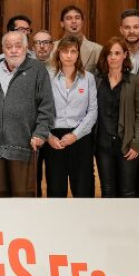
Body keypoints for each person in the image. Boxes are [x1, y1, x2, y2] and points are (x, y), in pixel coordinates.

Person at [0, 31, 54, 198]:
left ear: (26, 48)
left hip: (24, 144)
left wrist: (40, 133)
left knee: (23, 200)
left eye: (18, 46)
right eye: (9, 47)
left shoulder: (37, 69)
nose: (13, 50)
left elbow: (46, 105)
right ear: (3, 50)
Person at [44, 37, 98, 198]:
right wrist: (48, 136)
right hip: (54, 139)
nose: (69, 55)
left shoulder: (88, 78)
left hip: (80, 138)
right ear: (58, 53)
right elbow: (39, 109)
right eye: (65, 51)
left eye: (73, 51)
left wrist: (75, 135)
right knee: (55, 189)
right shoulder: (48, 76)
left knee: (83, 190)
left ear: (78, 54)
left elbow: (93, 111)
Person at [94, 37, 139, 198]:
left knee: (127, 191)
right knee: (107, 190)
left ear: (125, 55)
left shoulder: (135, 81)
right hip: (103, 146)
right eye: (109, 53)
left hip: (127, 144)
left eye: (117, 53)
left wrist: (137, 143)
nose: (113, 57)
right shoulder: (97, 81)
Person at [59, 5, 102, 72]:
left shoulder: (97, 49)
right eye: (69, 18)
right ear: (62, 23)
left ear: (82, 22)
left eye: (77, 18)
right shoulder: (53, 49)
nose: (74, 21)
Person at [119, 9, 139, 75]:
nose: (131, 31)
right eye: (127, 27)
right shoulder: (113, 54)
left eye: (136, 27)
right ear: (121, 30)